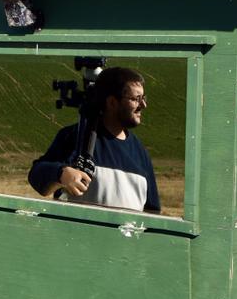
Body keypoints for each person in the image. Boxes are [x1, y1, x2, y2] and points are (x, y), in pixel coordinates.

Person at [28, 66, 160, 213]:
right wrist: (62, 174)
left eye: (143, 98)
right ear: (112, 102)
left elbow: (152, 212)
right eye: (136, 99)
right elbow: (37, 175)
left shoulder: (140, 153)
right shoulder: (76, 137)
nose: (143, 105)